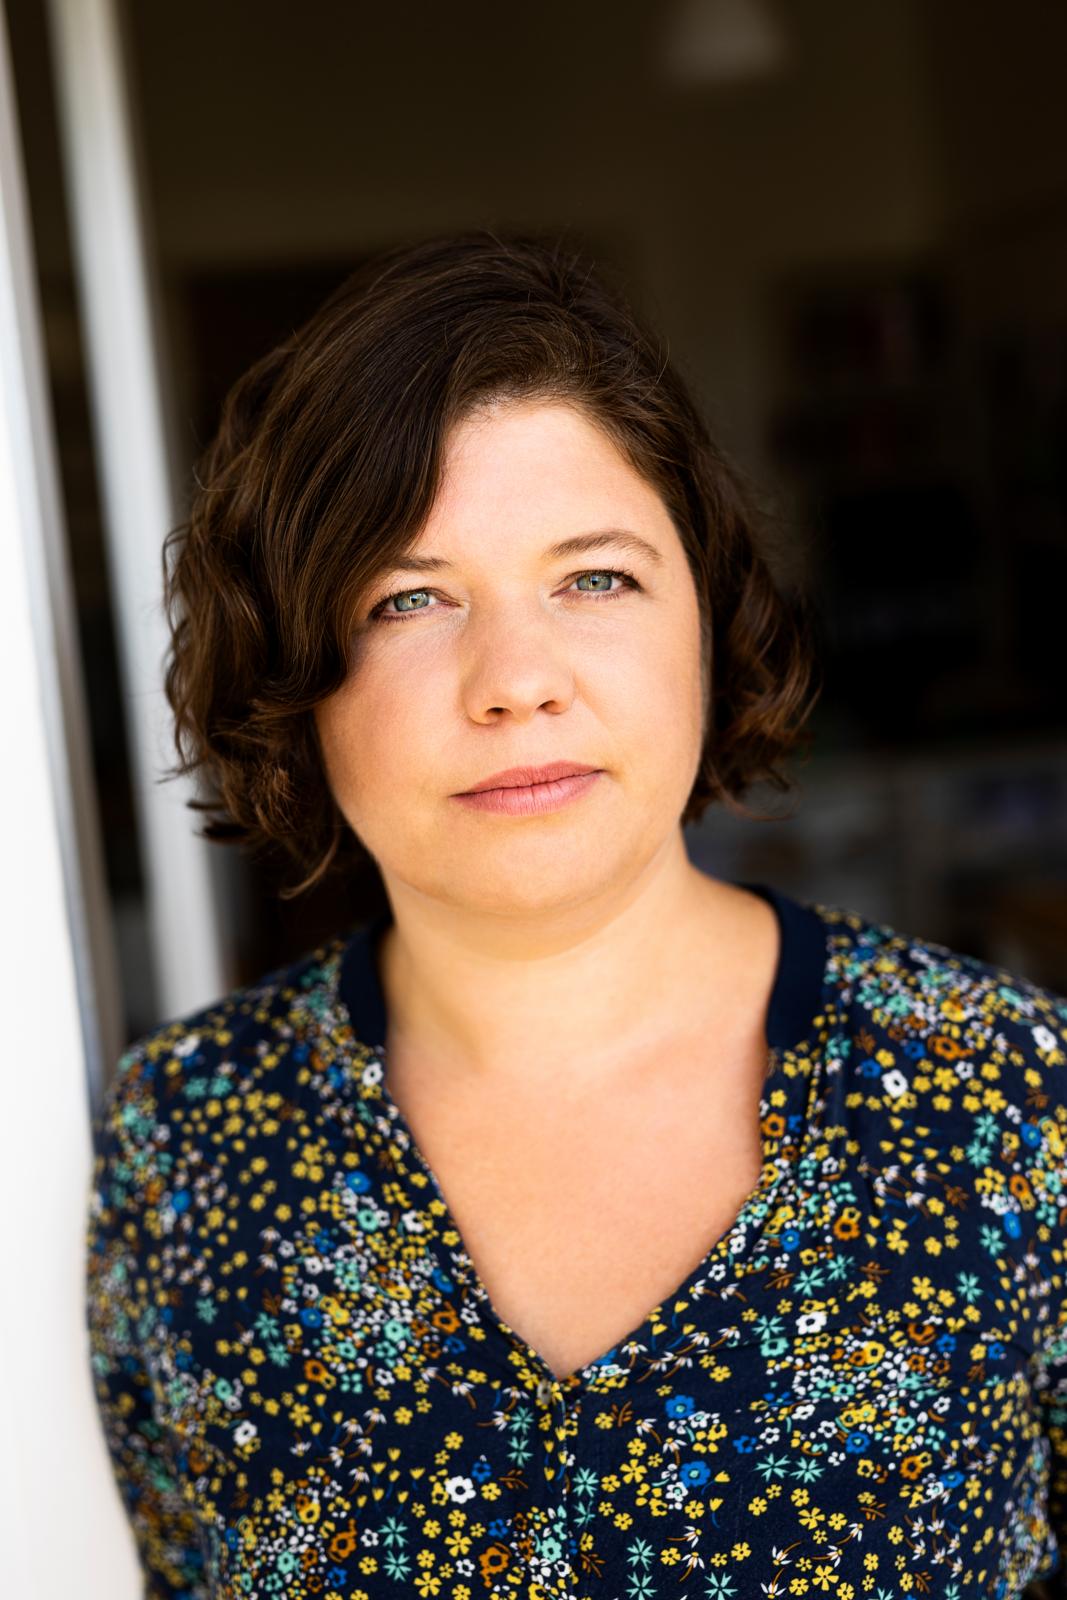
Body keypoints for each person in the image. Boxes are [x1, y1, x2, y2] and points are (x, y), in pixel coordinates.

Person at [84, 228, 1067, 1600]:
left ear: (705, 619)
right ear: (293, 677)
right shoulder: (184, 1144)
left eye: (595, 577)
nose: (517, 679)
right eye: (409, 597)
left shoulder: (1012, 1098)